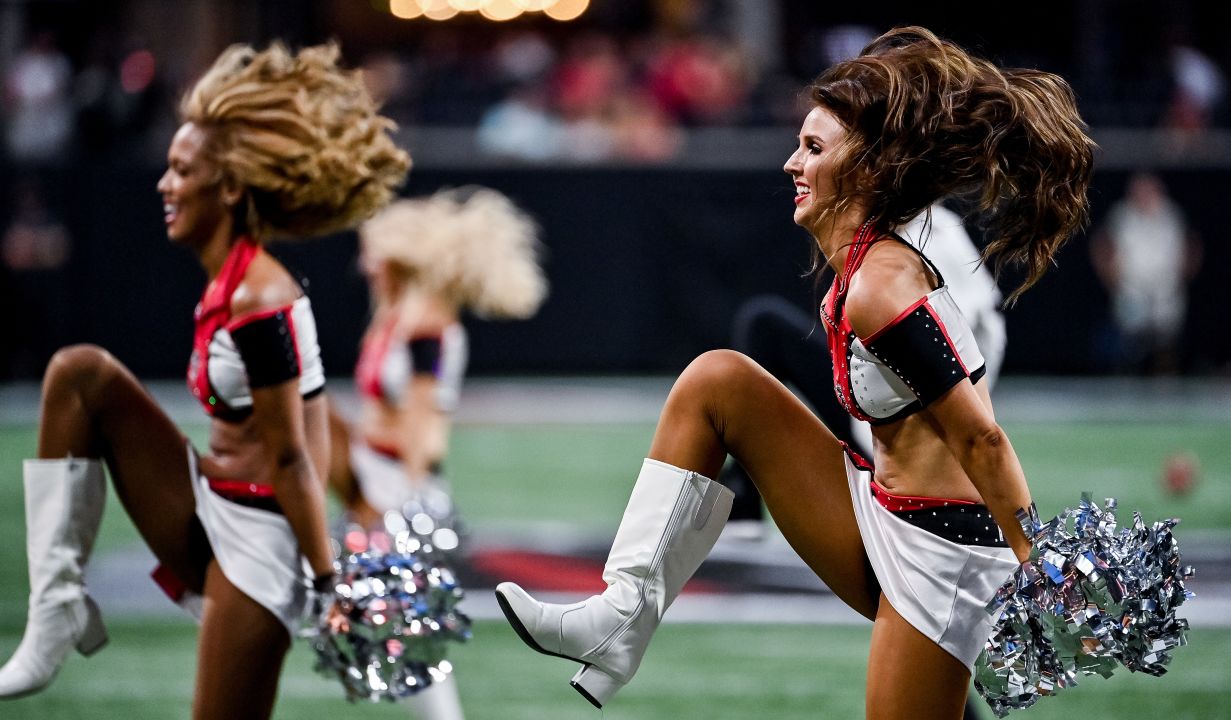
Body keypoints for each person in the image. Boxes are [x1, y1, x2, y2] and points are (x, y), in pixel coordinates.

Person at [494, 26, 1093, 719]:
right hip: (883, 511)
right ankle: (619, 619)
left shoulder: (881, 286)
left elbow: (981, 437)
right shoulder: (858, 268)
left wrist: (1040, 566)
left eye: (813, 149)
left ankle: (621, 623)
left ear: (866, 170)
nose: (791, 165)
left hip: (943, 548)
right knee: (719, 381)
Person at [0, 42, 409, 718]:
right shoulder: (230, 281)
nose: (165, 184)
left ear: (228, 188)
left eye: (182, 171)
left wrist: (330, 580)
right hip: (209, 504)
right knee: (80, 375)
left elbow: (292, 456)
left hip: (259, 544)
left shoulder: (258, 299)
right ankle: (57, 611)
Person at [327, 187, 548, 720]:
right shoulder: (393, 313)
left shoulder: (427, 322)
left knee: (405, 629)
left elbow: (425, 428)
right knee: (374, 622)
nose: (365, 265)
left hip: (400, 485)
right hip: (371, 474)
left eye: (372, 253)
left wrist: (404, 501)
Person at [720, 203, 1006, 540]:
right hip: (885, 414)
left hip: (901, 447)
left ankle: (744, 500)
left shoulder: (930, 235)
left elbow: (968, 340)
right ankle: (743, 495)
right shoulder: (900, 227)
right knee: (763, 330)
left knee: (756, 335)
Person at [1090, 171, 1201, 374]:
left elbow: (1191, 245)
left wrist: (1184, 275)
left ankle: (1165, 383)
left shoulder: (1171, 214)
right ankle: (1128, 380)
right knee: (1130, 343)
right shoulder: (1122, 216)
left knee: (1166, 342)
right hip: (1132, 287)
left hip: (1165, 288)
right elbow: (1101, 245)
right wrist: (1110, 278)